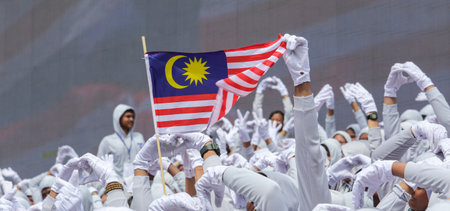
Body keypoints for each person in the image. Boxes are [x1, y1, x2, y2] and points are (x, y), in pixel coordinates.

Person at [97, 104, 145, 179]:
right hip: (118, 185)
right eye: (128, 116)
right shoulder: (107, 141)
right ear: (118, 118)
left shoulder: (139, 137)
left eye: (133, 117)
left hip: (138, 182)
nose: (131, 119)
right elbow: (99, 166)